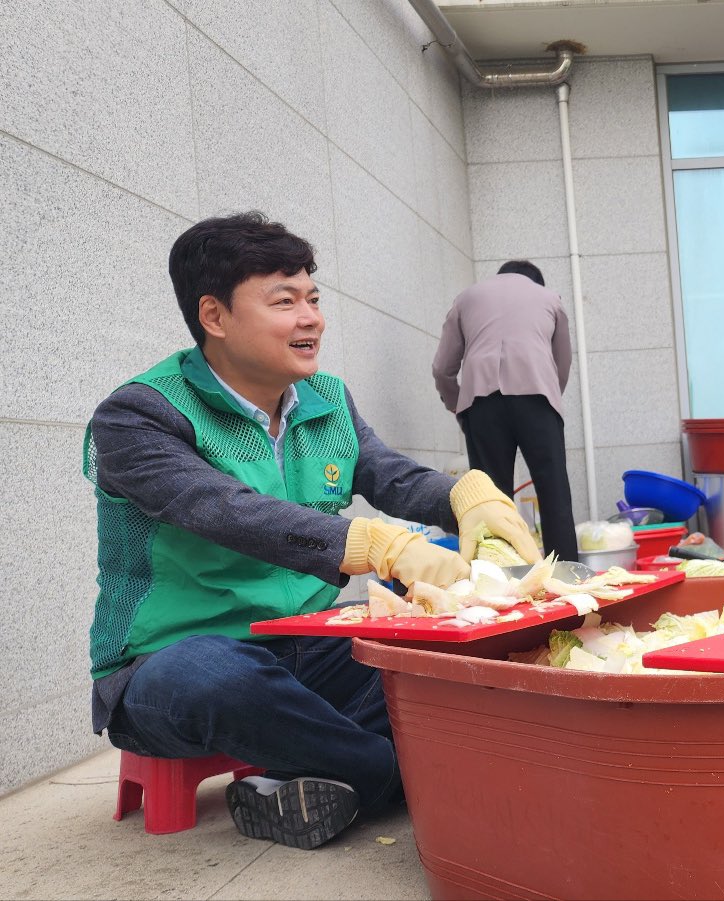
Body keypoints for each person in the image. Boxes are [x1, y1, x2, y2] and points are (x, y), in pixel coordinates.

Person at [84, 212, 540, 851]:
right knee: (215, 677)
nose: (311, 319)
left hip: (309, 647)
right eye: (284, 302)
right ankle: (405, 775)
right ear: (214, 317)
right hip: (170, 663)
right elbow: (222, 509)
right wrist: (372, 544)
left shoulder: (325, 397)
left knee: (452, 652)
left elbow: (392, 476)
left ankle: (324, 775)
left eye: (314, 299)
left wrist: (467, 494)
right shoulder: (138, 415)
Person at [431, 261, 578, 561]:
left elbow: (442, 369)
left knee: (492, 500)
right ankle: (568, 581)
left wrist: (460, 406)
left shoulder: (467, 298)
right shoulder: (550, 299)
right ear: (536, 282)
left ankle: (499, 582)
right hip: (538, 396)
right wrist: (547, 401)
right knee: (554, 495)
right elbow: (561, 364)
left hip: (483, 403)